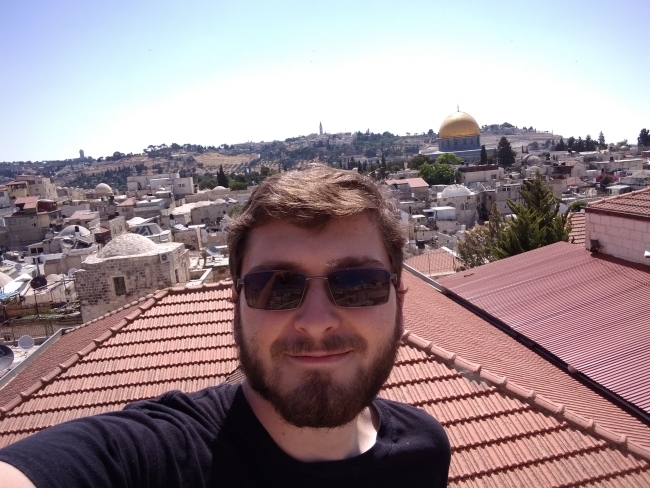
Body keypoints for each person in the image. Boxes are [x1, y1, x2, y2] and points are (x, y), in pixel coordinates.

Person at [0, 164, 450, 487]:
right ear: (235, 303)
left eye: (357, 284)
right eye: (277, 287)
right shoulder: (163, 456)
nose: (317, 323)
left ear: (399, 296)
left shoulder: (425, 453)